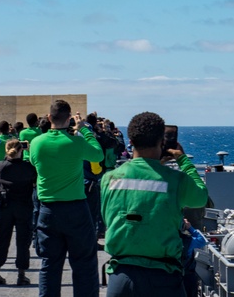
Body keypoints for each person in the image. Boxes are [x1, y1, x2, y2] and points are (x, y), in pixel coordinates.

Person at [101, 112, 209, 297]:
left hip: (122, 277)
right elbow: (200, 197)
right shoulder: (175, 180)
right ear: (162, 142)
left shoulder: (110, 178)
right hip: (163, 277)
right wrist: (182, 160)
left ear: (131, 141)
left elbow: (108, 218)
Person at [29, 100, 103, 297]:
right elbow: (98, 155)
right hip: (76, 209)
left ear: (49, 117)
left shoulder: (37, 143)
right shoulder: (76, 142)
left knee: (49, 266)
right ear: (69, 118)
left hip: (48, 210)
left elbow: (35, 164)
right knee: (84, 264)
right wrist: (84, 130)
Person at [0, 140, 36, 286]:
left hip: (5, 207)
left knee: (2, 240)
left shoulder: (1, 166)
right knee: (23, 241)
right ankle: (21, 274)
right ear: (21, 150)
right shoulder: (29, 168)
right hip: (24, 207)